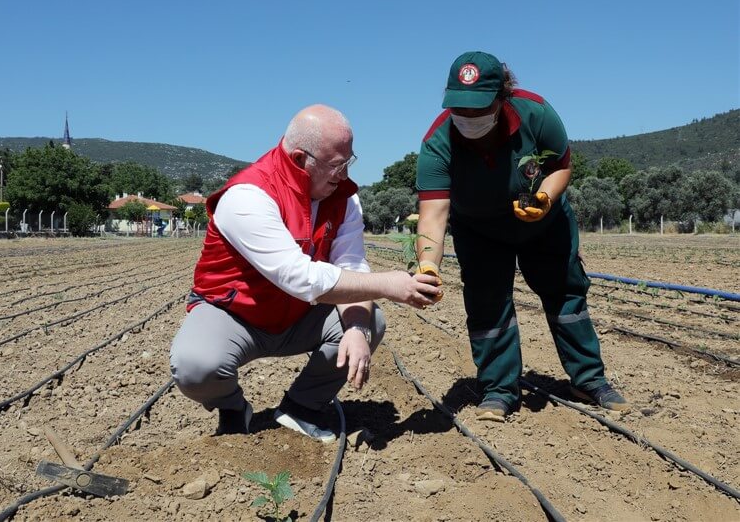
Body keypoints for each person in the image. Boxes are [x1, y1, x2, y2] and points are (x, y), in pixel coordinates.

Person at [170, 104, 442, 442]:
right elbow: (298, 277)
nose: (344, 175)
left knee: (372, 321)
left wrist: (356, 328)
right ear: (300, 159)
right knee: (195, 366)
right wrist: (388, 283)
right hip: (237, 315)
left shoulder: (344, 199)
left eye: (349, 161)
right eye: (336, 165)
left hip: (299, 315)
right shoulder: (247, 196)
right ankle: (232, 407)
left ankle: (302, 407)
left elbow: (351, 266)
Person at [415, 51, 629, 422]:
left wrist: (544, 198)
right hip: (479, 232)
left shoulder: (536, 114)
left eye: (478, 108)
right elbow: (433, 214)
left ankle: (589, 379)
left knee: (565, 294)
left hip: (543, 223)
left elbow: (562, 167)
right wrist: (428, 265)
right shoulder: (437, 143)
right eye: (459, 109)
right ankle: (498, 390)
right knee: (487, 304)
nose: (467, 118)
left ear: (502, 97)